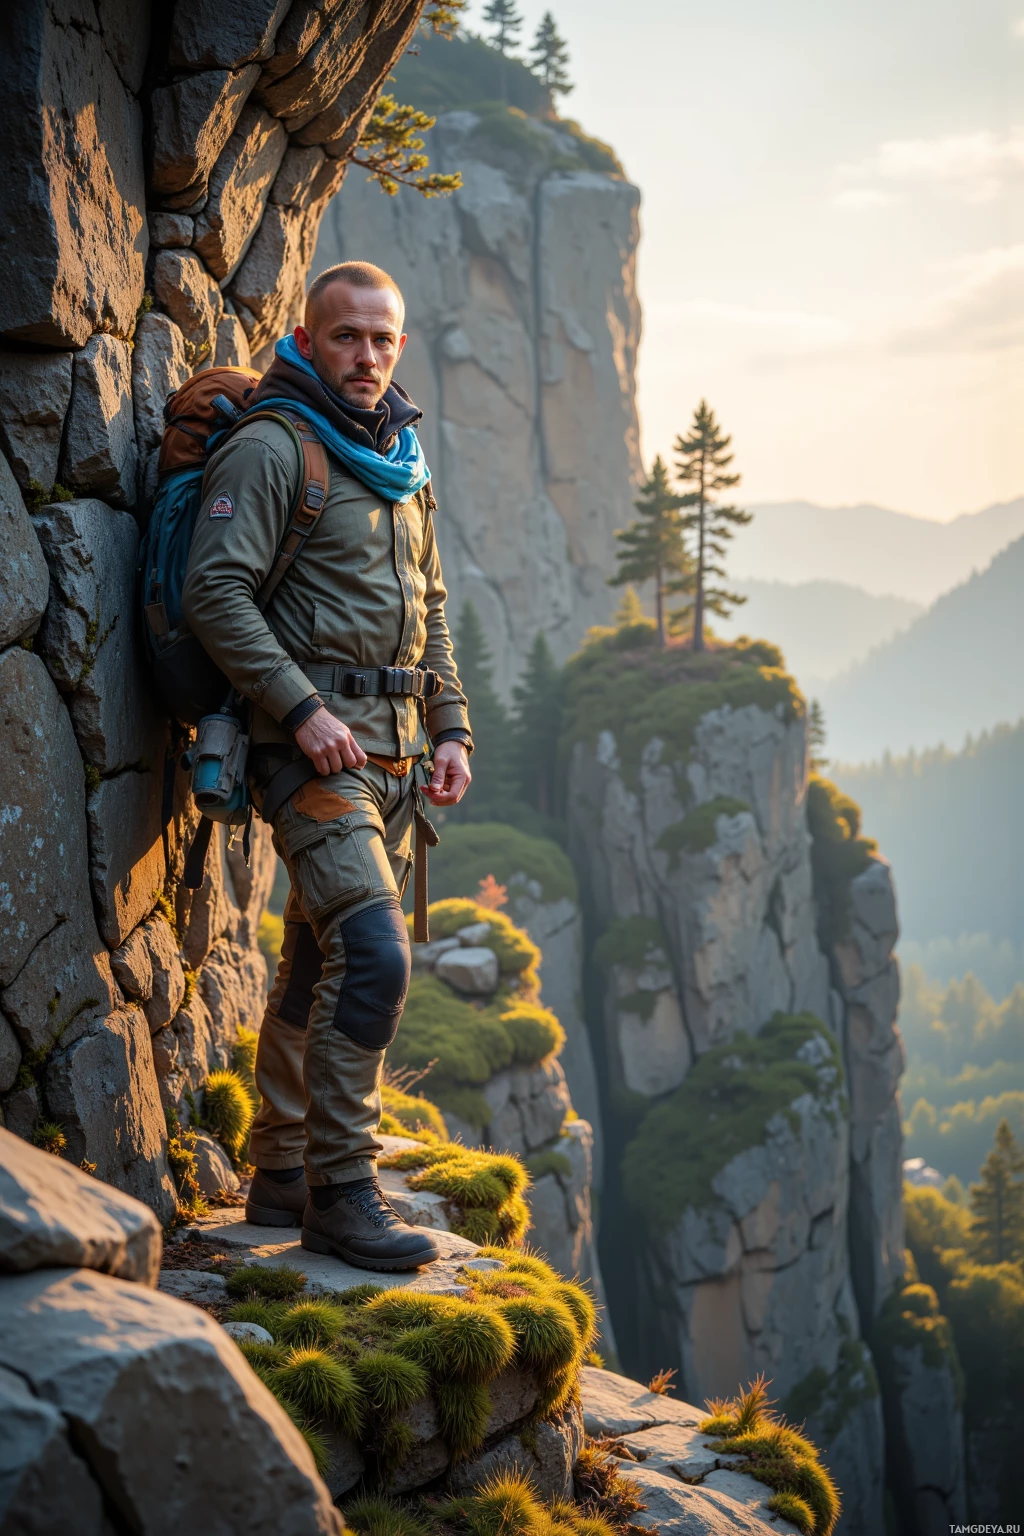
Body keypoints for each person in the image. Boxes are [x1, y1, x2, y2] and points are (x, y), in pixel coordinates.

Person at [182, 262, 473, 1270]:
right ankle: (342, 1196)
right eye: (346, 336)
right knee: (378, 962)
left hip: (393, 755)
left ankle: (279, 1174)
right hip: (309, 755)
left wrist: (450, 730)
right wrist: (300, 714)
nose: (366, 355)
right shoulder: (273, 448)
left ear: (400, 344)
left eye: (383, 339)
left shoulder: (399, 456)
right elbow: (212, 592)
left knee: (315, 962)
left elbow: (427, 608)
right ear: (308, 338)